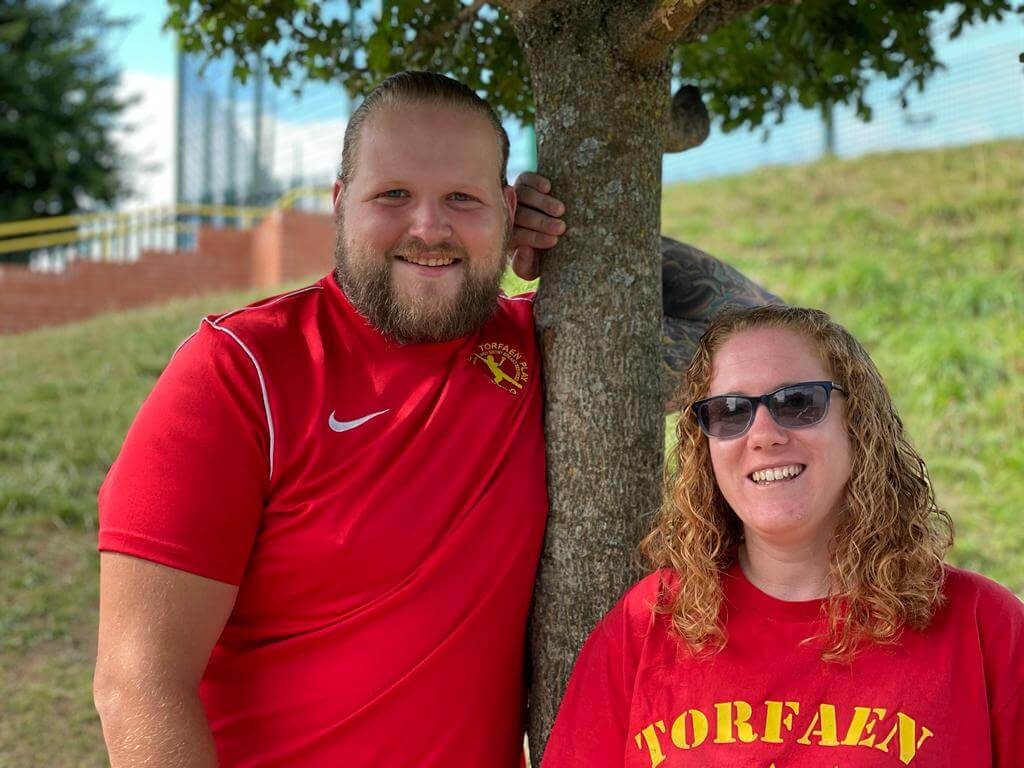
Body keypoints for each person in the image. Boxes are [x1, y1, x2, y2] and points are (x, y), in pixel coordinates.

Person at [92, 69, 779, 766]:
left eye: (463, 199)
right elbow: (138, 681)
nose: (428, 227)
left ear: (509, 211)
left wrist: (586, 246)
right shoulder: (242, 370)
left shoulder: (545, 353)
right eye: (393, 195)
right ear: (338, 203)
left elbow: (766, 339)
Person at [541, 305, 1023, 767]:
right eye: (730, 411)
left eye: (797, 403)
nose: (763, 434)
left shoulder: (985, 628)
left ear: (858, 425)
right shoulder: (646, 625)